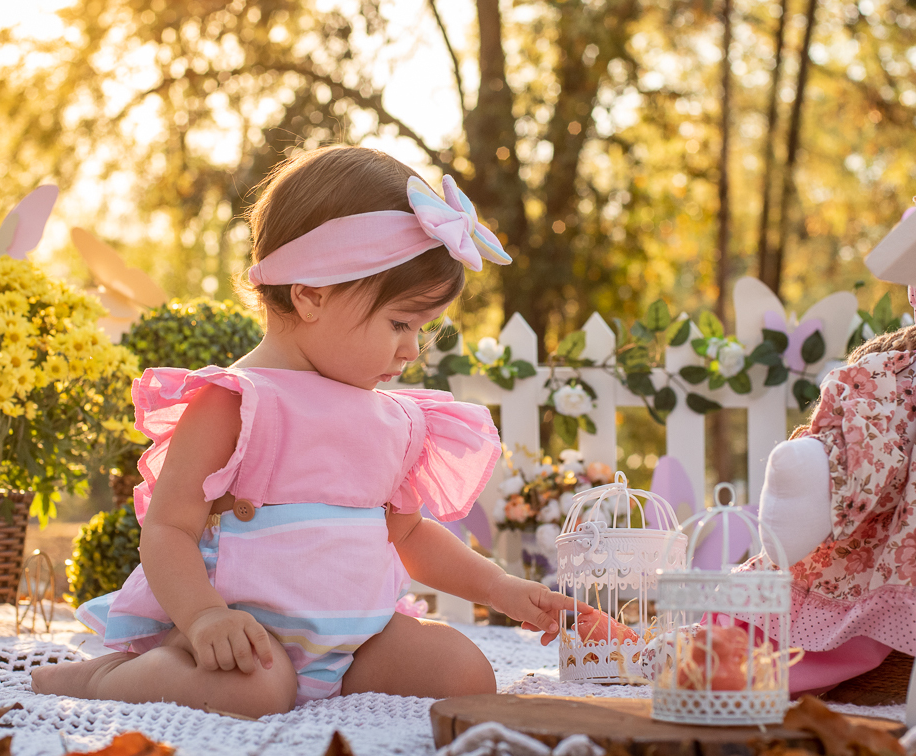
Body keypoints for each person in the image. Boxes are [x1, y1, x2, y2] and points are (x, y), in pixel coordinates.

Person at [32, 146, 581, 717]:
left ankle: (330, 685)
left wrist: (500, 588)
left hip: (358, 640)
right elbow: (168, 529)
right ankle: (102, 678)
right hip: (243, 636)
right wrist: (203, 618)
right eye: (400, 323)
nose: (412, 349)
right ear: (312, 294)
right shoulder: (237, 403)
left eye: (423, 329)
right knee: (255, 688)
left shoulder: (393, 420)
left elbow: (410, 535)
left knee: (464, 673)